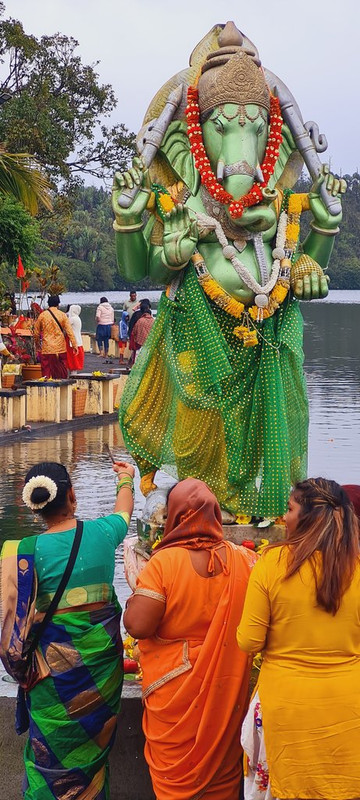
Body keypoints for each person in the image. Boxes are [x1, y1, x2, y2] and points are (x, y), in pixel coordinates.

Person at [0, 458, 135, 800]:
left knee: (49, 761)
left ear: (35, 508)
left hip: (51, 682)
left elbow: (10, 634)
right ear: (72, 495)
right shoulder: (104, 533)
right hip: (101, 679)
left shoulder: (21, 553)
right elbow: (124, 512)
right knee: (92, 765)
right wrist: (125, 477)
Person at [123, 477, 257, 800]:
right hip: (224, 698)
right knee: (222, 781)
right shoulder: (243, 560)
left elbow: (137, 625)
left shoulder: (165, 563)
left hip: (174, 699)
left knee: (175, 788)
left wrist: (132, 602)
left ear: (175, 517)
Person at [237, 477, 360, 800]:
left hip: (285, 707)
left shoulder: (272, 565)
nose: (284, 517)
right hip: (348, 708)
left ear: (305, 517)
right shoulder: (357, 568)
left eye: (289, 509)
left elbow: (249, 641)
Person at [34, 294, 78, 379]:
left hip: (47, 348)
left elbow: (36, 332)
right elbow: (70, 332)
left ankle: (46, 389)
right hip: (60, 348)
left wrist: (37, 344)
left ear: (48, 304)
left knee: (46, 373)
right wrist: (74, 345)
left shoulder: (42, 315)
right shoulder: (62, 315)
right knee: (61, 373)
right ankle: (62, 390)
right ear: (58, 304)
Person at [127, 298, 153, 366]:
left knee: (137, 356)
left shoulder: (139, 318)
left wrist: (132, 336)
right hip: (149, 341)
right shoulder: (153, 320)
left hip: (139, 341)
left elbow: (133, 329)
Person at [66, 304, 85, 373]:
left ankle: (72, 373)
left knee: (72, 358)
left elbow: (66, 326)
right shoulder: (77, 318)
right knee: (75, 358)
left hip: (72, 340)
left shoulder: (72, 319)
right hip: (78, 339)